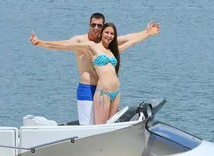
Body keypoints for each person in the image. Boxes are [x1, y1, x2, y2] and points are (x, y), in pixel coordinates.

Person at [30, 13, 160, 124]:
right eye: (93, 25)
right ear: (89, 24)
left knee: (108, 124)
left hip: (105, 88)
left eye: (99, 25)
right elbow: (63, 45)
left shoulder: (105, 43)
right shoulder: (82, 42)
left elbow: (128, 39)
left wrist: (147, 32)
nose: (96, 28)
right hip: (87, 88)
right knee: (89, 125)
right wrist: (40, 42)